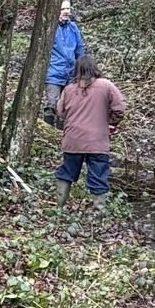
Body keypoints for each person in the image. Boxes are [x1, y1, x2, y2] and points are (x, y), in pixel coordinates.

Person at [53, 55, 126, 203]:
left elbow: (60, 112)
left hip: (73, 141)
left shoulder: (69, 89)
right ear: (95, 68)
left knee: (66, 173)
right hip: (97, 142)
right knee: (99, 178)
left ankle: (58, 209)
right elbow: (120, 108)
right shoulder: (106, 85)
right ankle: (98, 215)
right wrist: (111, 122)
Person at [44, 0, 86, 125]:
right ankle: (48, 132)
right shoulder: (50, 28)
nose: (67, 12)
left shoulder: (73, 28)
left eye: (68, 8)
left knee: (67, 107)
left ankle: (62, 134)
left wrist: (82, 69)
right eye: (63, 9)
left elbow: (79, 50)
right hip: (53, 74)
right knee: (52, 104)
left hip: (70, 74)